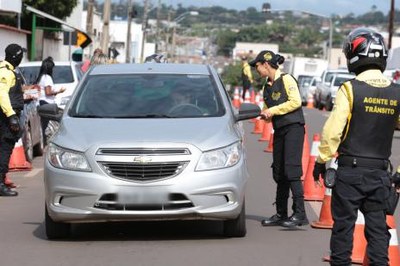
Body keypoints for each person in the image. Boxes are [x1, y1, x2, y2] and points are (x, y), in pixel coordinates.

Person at [312, 28, 400, 265]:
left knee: (343, 228)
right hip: (381, 174)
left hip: (351, 171)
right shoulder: (396, 92)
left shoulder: (350, 89)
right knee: (377, 230)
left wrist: (321, 160)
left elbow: (332, 132)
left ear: (355, 54)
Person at [249, 50, 308, 227]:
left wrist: (272, 111)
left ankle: (300, 213)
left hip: (293, 128)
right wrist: (264, 115)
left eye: (257, 66)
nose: (256, 70)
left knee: (292, 170)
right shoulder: (266, 86)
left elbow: (296, 101)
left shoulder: (287, 79)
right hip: (280, 129)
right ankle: (281, 213)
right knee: (279, 171)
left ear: (266, 64)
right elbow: (267, 108)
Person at [0, 43, 25, 196]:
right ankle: (0, 184)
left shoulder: (8, 70)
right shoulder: (6, 72)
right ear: (16, 57)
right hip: (5, 118)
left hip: (7, 116)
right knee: (4, 149)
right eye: (20, 55)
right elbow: (2, 94)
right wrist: (11, 116)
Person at [36, 57, 65, 144]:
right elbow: (48, 92)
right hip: (48, 104)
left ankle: (45, 142)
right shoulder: (47, 78)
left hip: (42, 103)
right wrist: (59, 91)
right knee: (58, 121)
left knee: (44, 125)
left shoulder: (41, 77)